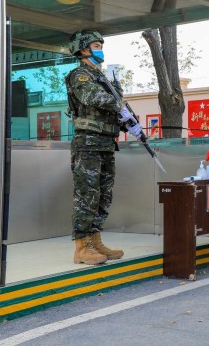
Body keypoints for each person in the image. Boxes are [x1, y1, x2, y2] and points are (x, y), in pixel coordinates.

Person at [65, 30, 143, 265]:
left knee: (103, 196)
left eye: (100, 45)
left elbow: (115, 106)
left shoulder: (103, 77)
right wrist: (121, 106)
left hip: (106, 144)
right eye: (96, 45)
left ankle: (95, 240)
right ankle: (82, 247)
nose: (101, 49)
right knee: (86, 196)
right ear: (84, 49)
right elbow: (94, 98)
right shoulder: (80, 75)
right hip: (87, 144)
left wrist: (130, 121)